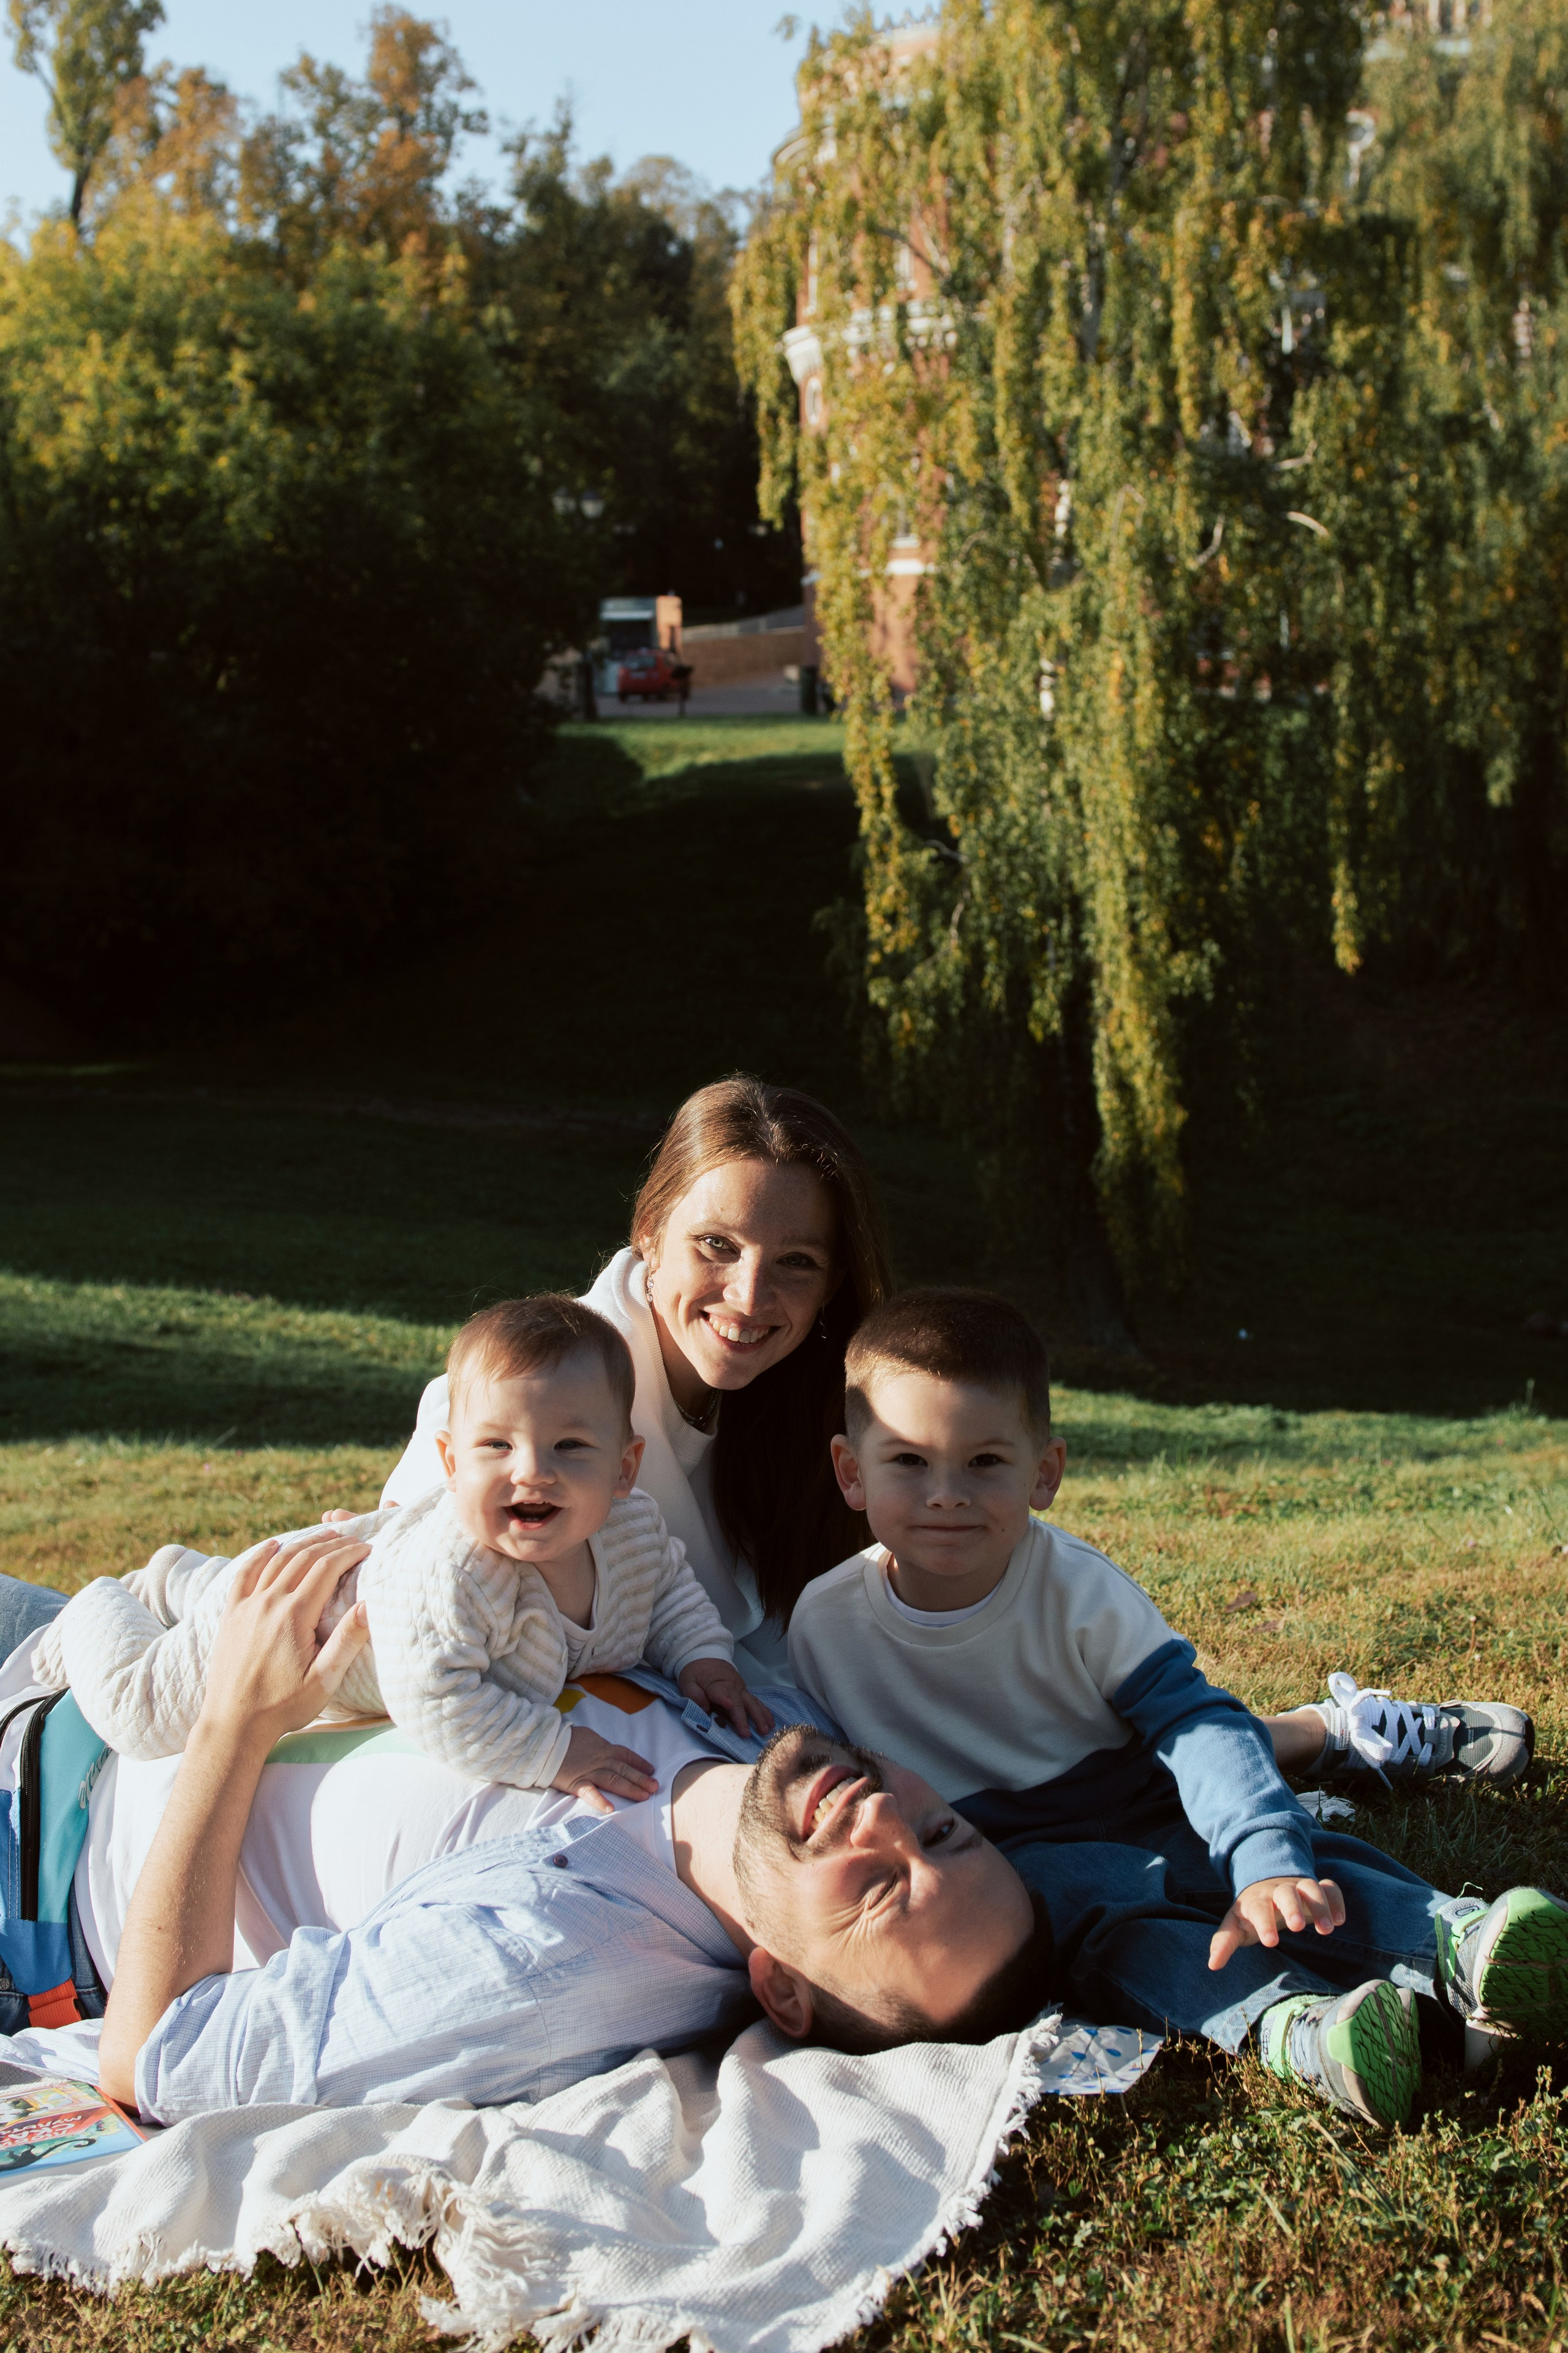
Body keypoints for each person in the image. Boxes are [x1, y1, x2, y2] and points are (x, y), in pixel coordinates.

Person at [372, 1075, 1516, 1779]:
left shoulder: (804, 1404)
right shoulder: (564, 1373)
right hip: (594, 1737)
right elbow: (433, 1520)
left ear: (832, 1291)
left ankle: (1325, 1735)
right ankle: (1318, 1738)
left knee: (1023, 1725)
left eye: (797, 1265)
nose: (750, 1294)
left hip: (741, 1708)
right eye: (717, 1246)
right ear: (652, 1233)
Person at [786, 1288, 1565, 2127]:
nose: (947, 1494)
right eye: (909, 1461)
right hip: (1003, 1864)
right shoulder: (822, 1626)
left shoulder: (1077, 1591)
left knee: (1287, 1882)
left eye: (984, 1462)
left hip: (1146, 1802)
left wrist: (1264, 1854)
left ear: (1044, 1473)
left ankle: (1461, 1945)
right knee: (1130, 1938)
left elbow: (1197, 1724)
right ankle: (1303, 2031)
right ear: (851, 1472)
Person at [70, 1533, 1055, 2121]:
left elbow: (156, 2052)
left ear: (784, 1992)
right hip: (82, 1666)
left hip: (40, 1841)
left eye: (881, 1888)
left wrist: (229, 1727)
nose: (884, 1818)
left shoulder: (546, 1961)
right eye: (942, 1833)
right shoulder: (754, 1720)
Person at [37, 1297, 766, 1810]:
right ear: (451, 1462)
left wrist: (704, 1658)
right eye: (496, 1446)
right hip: (300, 1622)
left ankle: (176, 1578)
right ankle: (101, 1605)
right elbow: (436, 1699)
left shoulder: (630, 1532)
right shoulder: (460, 1571)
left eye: (570, 1446)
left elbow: (671, 1593)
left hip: (343, 1567)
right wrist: (555, 1751)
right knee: (143, 1714)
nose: (531, 1470)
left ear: (625, 1468)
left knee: (219, 1585)